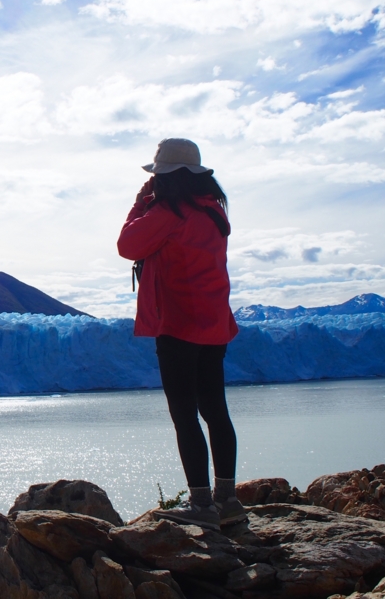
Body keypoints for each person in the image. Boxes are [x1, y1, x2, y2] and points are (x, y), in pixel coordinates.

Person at [116, 138, 246, 530]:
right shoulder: (213, 213)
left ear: (167, 179)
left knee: (184, 415)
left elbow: (127, 245)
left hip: (178, 324)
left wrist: (142, 202)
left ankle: (202, 506)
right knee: (215, 409)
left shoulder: (170, 212)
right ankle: (228, 500)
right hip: (213, 325)